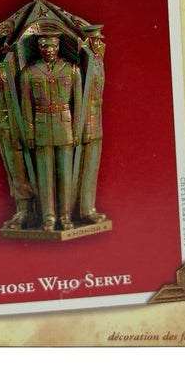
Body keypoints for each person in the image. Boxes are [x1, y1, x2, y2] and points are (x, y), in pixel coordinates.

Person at [20, 29, 82, 231]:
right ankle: (48, 217)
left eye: (53, 45)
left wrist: (77, 130)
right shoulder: (29, 73)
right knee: (45, 176)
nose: (49, 50)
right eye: (45, 46)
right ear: (39, 48)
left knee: (65, 176)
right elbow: (26, 105)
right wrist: (29, 131)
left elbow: (78, 104)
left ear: (58, 46)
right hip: (41, 127)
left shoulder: (71, 70)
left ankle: (65, 216)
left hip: (65, 126)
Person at [0, 37, 34, 229]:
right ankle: (21, 209)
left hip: (16, 126)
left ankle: (28, 210)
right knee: (11, 169)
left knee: (20, 169)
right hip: (1, 125)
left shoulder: (9, 68)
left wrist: (20, 130)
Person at [78, 26, 106, 223]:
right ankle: (84, 210)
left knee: (92, 165)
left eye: (99, 40)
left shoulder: (97, 61)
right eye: (94, 41)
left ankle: (88, 208)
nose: (99, 43)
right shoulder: (84, 63)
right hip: (84, 121)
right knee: (85, 166)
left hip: (96, 119)